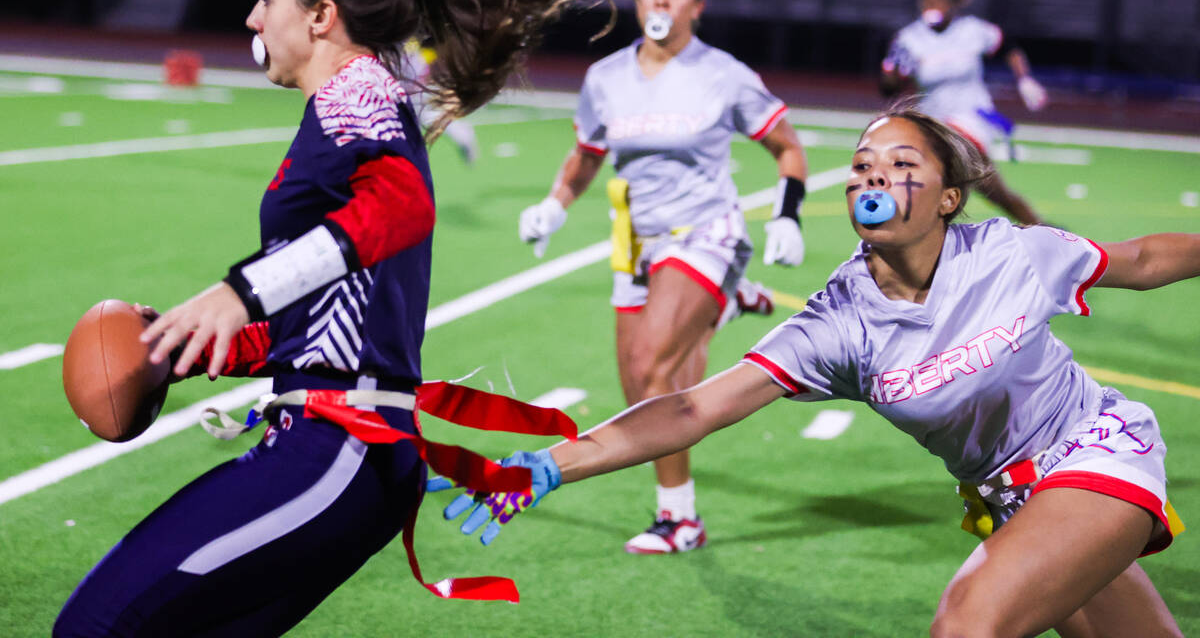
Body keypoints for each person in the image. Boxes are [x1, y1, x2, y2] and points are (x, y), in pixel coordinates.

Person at [53, 0, 624, 637]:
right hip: (341, 447)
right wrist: (203, 343)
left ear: (321, 15)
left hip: (337, 447)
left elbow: (403, 207)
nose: (253, 15)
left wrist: (240, 292)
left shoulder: (357, 93)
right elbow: (333, 309)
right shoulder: (352, 99)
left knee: (95, 627)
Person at [444, 105, 1195, 637]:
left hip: (1096, 451)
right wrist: (549, 463)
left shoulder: (1011, 253)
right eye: (863, 164)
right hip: (1009, 498)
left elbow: (1143, 260)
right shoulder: (839, 322)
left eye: (904, 164)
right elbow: (689, 412)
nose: (876, 175)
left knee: (969, 625)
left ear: (948, 197)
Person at [515, 0, 810, 554]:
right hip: (637, 242)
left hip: (707, 231)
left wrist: (788, 213)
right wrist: (555, 204)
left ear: (697, 5)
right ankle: (681, 515)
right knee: (645, 388)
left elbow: (787, 146)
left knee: (654, 360)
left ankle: (717, 295)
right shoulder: (606, 78)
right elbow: (587, 155)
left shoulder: (723, 73)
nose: (660, 1)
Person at [881, 0, 1049, 225]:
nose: (931, 5)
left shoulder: (972, 30)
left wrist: (1024, 80)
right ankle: (1042, 229)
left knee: (946, 184)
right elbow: (887, 88)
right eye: (926, 0)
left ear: (951, 3)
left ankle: (1045, 236)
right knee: (992, 191)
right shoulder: (908, 39)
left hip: (972, 118)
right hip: (933, 124)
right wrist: (894, 69)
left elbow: (1009, 47)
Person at [403, 38, 480, 164]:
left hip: (413, 96)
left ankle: (462, 135)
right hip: (412, 94)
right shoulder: (413, 54)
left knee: (428, 121)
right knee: (426, 121)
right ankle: (462, 134)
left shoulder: (411, 56)